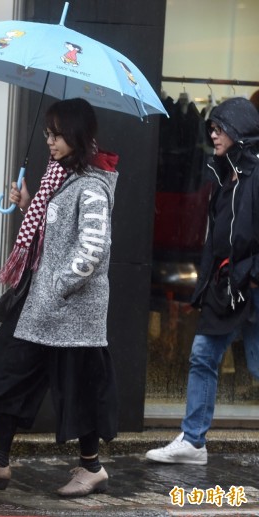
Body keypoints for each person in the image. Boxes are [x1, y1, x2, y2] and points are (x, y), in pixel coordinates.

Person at [0, 98, 120, 497]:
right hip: (40, 304)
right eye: (48, 133)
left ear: (78, 135)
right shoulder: (61, 177)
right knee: (8, 370)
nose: (51, 141)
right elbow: (57, 233)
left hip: (72, 312)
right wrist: (29, 205)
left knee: (78, 386)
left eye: (58, 134)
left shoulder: (92, 185)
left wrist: (58, 285)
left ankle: (91, 468)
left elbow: (93, 248)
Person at [146, 97, 259, 465]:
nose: (212, 133)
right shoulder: (225, 171)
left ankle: (193, 439)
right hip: (227, 284)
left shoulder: (255, 174)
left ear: (239, 130)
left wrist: (252, 277)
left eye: (219, 127)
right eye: (211, 127)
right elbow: (220, 235)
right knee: (203, 356)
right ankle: (193, 440)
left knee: (256, 366)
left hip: (249, 285)